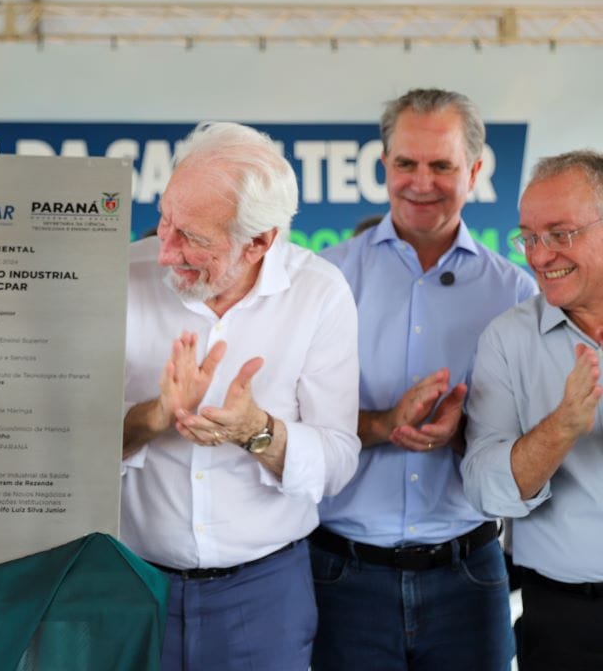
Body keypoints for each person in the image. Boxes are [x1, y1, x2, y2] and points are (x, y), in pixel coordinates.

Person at [310, 88, 536, 671]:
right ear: (384, 164)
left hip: (469, 576)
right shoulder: (325, 279)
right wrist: (385, 424)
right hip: (341, 576)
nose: (421, 182)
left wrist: (463, 433)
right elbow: (294, 426)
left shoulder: (516, 293)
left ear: (475, 172)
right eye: (406, 163)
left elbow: (531, 444)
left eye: (442, 165)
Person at [121, 122, 360, 671]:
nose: (165, 252)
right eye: (164, 220)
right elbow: (70, 448)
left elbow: (337, 462)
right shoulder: (120, 279)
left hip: (266, 591)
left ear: (259, 243)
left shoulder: (319, 294)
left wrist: (257, 431)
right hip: (132, 579)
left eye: (192, 238)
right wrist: (154, 416)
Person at [462, 150, 603, 671]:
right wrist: (562, 427)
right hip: (565, 623)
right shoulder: (508, 339)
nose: (540, 256)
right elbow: (484, 489)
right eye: (529, 237)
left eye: (560, 234)